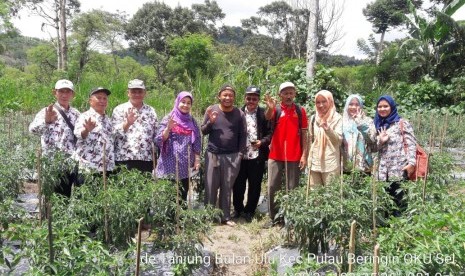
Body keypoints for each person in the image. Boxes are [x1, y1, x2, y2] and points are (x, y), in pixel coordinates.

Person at [201, 84, 247, 227]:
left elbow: (243, 135)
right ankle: (209, 216)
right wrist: (211, 122)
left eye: (230, 95)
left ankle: (225, 216)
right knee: (210, 186)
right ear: (219, 96)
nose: (227, 98)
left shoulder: (239, 113)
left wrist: (239, 154)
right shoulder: (211, 110)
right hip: (213, 154)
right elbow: (203, 131)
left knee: (227, 187)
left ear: (234, 97)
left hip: (232, 155)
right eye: (225, 95)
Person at [264, 81, 308, 226]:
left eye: (291, 93)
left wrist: (304, 154)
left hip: (294, 155)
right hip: (275, 155)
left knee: (292, 188)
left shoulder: (300, 111)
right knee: (272, 187)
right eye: (285, 93)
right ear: (280, 95)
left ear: (295, 94)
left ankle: (291, 217)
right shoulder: (276, 110)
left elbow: (304, 134)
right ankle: (273, 217)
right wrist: (270, 108)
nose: (289, 96)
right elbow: (267, 116)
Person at [29, 79, 80, 197]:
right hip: (51, 163)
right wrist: (46, 121)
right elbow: (32, 130)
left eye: (68, 92)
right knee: (51, 198)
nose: (64, 95)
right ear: (54, 93)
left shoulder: (76, 114)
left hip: (70, 163)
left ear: (73, 94)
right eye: (61, 91)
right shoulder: (46, 111)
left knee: (66, 196)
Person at [232, 86, 272, 222]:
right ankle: (238, 209)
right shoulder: (237, 113)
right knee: (238, 184)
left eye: (254, 99)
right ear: (244, 98)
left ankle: (250, 211)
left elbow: (270, 133)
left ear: (258, 100)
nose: (251, 101)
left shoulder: (263, 114)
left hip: (257, 156)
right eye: (249, 98)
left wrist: (262, 142)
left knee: (255, 185)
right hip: (240, 156)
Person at [374, 95, 416, 214]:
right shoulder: (377, 124)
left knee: (399, 202)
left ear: (391, 107)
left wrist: (411, 163)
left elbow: (411, 144)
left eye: (385, 106)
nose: (382, 109)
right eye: (380, 106)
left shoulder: (401, 123)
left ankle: (399, 228)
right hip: (382, 172)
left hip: (399, 170)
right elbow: (374, 148)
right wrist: (381, 141)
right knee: (385, 202)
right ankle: (387, 229)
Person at [156, 91, 201, 201]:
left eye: (188, 103)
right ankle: (168, 218)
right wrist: (168, 128)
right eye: (183, 102)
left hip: (185, 164)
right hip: (168, 164)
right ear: (177, 102)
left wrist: (197, 159)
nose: (185, 105)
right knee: (167, 195)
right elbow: (158, 140)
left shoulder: (192, 121)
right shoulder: (169, 118)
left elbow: (197, 141)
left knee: (182, 193)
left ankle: (179, 217)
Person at [112, 79, 158, 174]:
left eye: (140, 92)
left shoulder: (151, 111)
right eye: (133, 92)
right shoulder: (119, 110)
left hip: (146, 159)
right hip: (124, 158)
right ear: (128, 93)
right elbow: (113, 134)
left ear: (145, 93)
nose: (137, 94)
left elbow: (156, 135)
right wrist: (127, 123)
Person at [74, 87, 114, 174]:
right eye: (99, 98)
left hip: (107, 168)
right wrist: (86, 130)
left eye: (104, 98)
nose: (102, 101)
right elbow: (79, 135)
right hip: (88, 168)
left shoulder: (108, 120)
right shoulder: (84, 117)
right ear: (90, 101)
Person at [308, 90, 343, 187]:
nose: (321, 105)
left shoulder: (337, 118)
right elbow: (310, 140)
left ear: (330, 102)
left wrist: (328, 130)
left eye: (324, 101)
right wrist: (308, 159)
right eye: (318, 102)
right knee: (315, 196)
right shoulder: (313, 119)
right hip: (315, 163)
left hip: (330, 162)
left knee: (331, 195)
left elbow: (338, 140)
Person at [341, 94, 376, 174]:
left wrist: (360, 122)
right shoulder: (342, 122)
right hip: (346, 167)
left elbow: (372, 139)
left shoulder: (368, 121)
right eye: (351, 104)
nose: (353, 107)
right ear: (347, 106)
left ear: (361, 106)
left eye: (357, 104)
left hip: (364, 166)